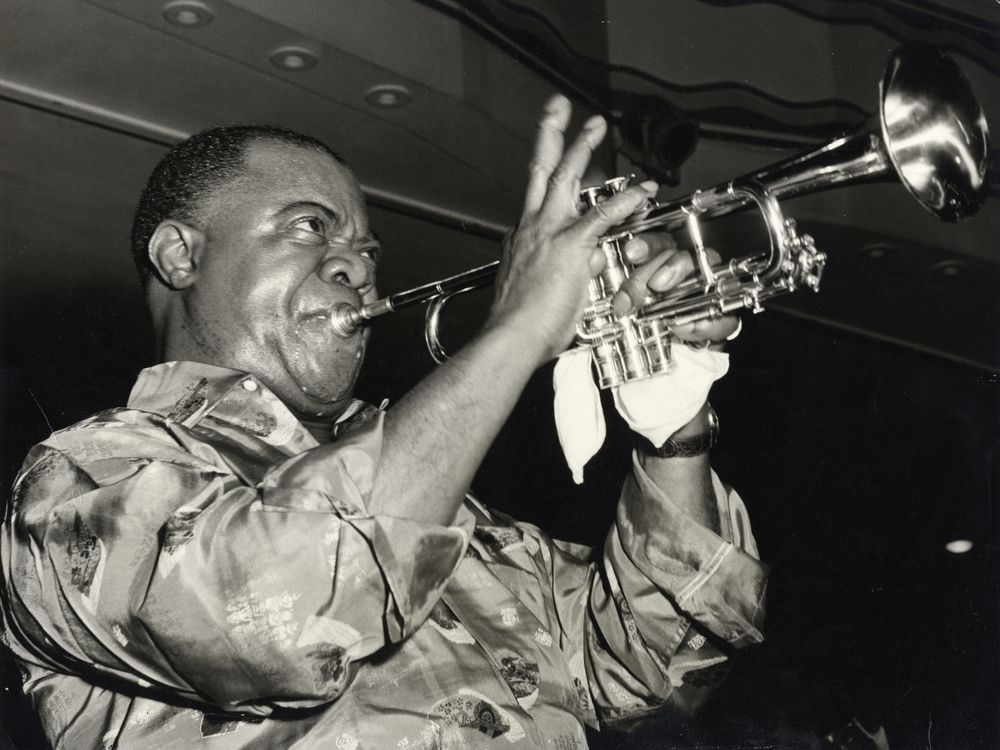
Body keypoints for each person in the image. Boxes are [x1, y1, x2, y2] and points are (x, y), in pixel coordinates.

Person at [1, 95, 767, 748]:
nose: (357, 264)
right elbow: (278, 612)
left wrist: (675, 428)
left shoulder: (448, 504)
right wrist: (522, 326)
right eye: (310, 227)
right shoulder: (81, 480)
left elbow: (655, 673)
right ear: (179, 254)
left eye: (367, 249)